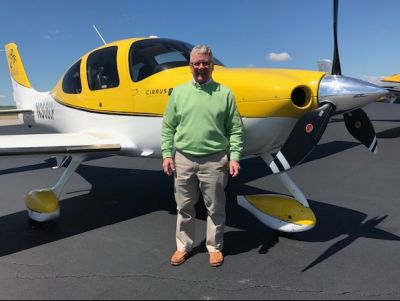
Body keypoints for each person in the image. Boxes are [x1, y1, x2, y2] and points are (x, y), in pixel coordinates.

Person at [161, 44, 244, 267]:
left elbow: (235, 129)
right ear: (190, 66)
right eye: (196, 63)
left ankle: (214, 247)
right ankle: (183, 247)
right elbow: (168, 126)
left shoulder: (225, 94)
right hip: (183, 158)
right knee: (184, 207)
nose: (201, 67)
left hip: (215, 160)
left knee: (215, 207)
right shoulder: (178, 93)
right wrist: (167, 154)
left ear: (212, 66)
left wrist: (234, 156)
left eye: (205, 63)